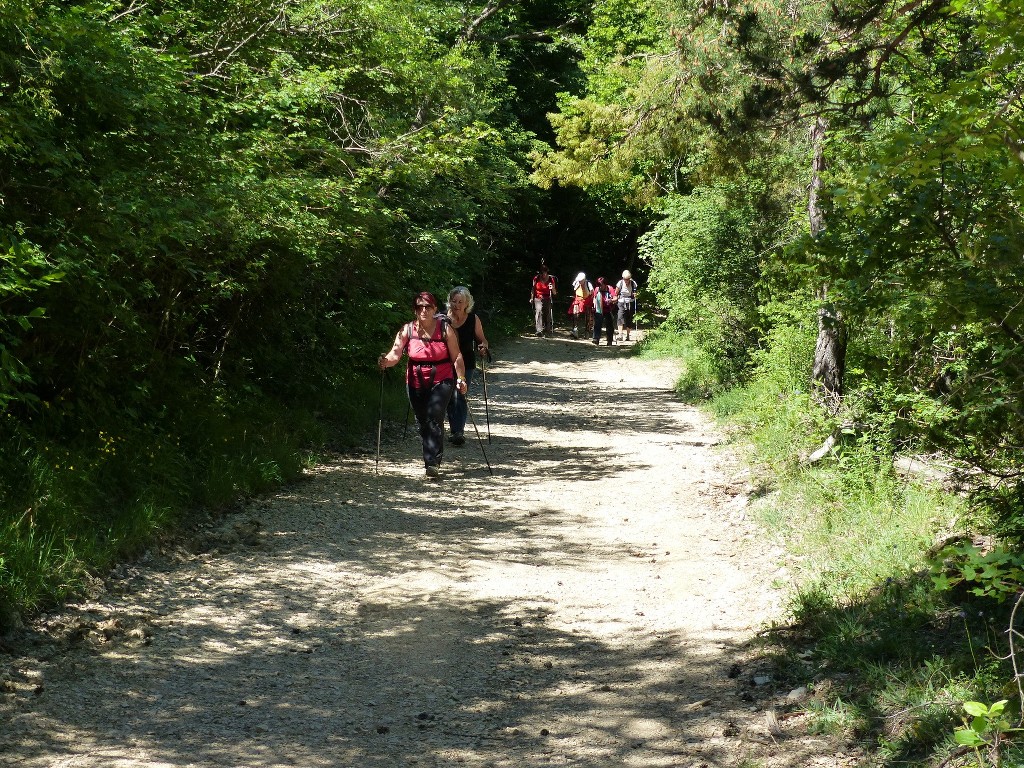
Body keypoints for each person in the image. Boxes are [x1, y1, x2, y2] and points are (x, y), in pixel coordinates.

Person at [379, 292, 468, 479]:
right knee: (422, 421)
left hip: (442, 378)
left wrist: (461, 377)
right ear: (415, 310)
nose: (424, 310)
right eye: (420, 307)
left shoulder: (445, 329)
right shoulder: (408, 330)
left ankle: (432, 462)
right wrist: (385, 362)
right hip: (415, 379)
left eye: (428, 306)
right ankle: (432, 457)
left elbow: (457, 356)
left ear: (435, 309)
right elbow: (395, 355)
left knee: (434, 416)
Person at [445, 286, 490, 446]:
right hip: (446, 361)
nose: (456, 304)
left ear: (466, 304)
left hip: (467, 361)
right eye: (454, 301)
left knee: (460, 393)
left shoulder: (472, 319)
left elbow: (482, 339)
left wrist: (483, 347)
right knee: (449, 395)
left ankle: (458, 431)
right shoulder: (442, 319)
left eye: (460, 302)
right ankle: (454, 429)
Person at [531, 263, 557, 336]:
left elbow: (554, 293)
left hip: (547, 298)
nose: (544, 274)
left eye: (545, 272)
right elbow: (533, 289)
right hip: (538, 297)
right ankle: (539, 330)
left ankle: (547, 329)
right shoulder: (536, 278)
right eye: (542, 273)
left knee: (547, 313)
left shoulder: (551, 279)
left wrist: (552, 288)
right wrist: (531, 298)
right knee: (539, 311)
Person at [591, 277, 617, 346]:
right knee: (597, 324)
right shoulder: (597, 289)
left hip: (608, 309)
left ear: (605, 284)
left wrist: (611, 300)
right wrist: (594, 306)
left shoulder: (610, 288)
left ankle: (609, 340)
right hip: (599, 309)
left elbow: (615, 298)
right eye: (598, 285)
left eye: (601, 285)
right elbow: (594, 298)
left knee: (609, 326)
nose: (599, 286)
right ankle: (596, 339)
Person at [615, 270, 639, 341]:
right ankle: (620, 334)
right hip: (621, 301)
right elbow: (616, 292)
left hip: (630, 302)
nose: (626, 281)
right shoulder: (620, 283)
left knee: (629, 318)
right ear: (623, 278)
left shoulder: (633, 283)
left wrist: (635, 295)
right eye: (625, 279)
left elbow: (635, 292)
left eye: (628, 279)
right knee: (620, 317)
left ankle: (628, 335)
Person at [569, 272, 593, 339]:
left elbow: (592, 293)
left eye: (581, 280)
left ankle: (587, 331)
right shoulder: (576, 283)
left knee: (588, 316)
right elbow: (574, 290)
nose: (580, 282)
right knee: (575, 314)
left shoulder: (588, 284)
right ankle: (575, 329)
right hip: (578, 299)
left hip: (587, 300)